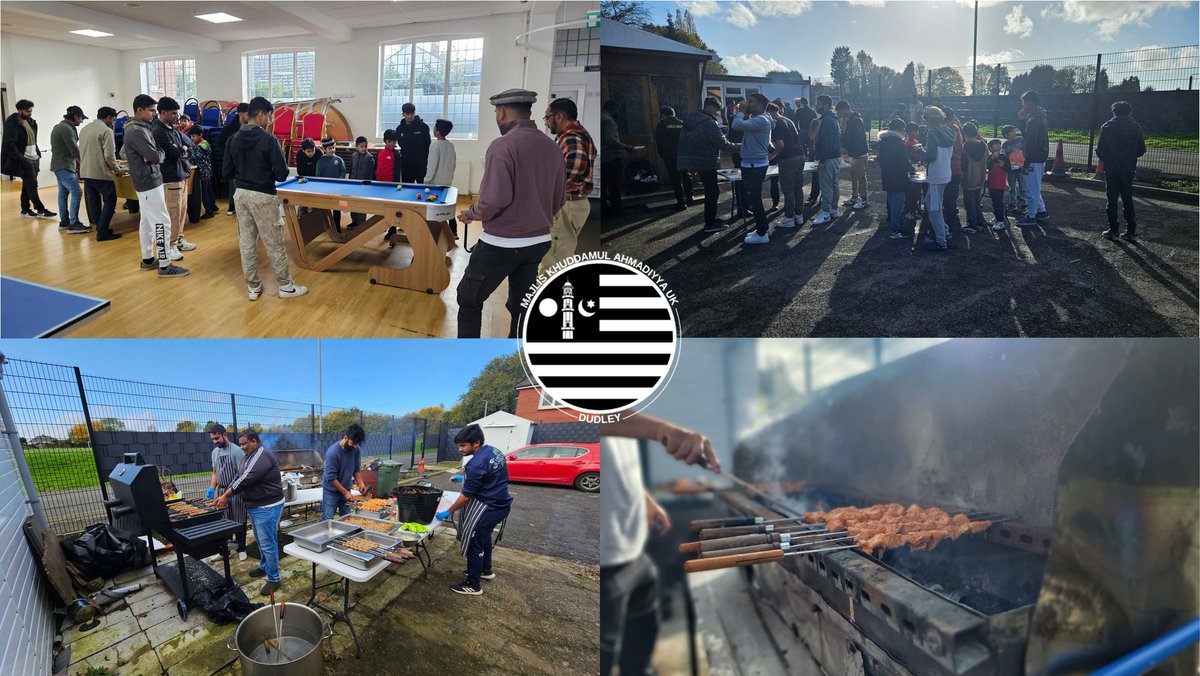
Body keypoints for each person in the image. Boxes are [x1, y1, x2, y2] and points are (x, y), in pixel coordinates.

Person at [598, 414, 721, 676]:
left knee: (641, 642)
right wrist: (660, 429)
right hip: (607, 561)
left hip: (635, 549)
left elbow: (615, 452)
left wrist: (643, 498)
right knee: (604, 655)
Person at [456, 89, 564, 338]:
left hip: (501, 244)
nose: (496, 115)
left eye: (496, 111)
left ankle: (466, 359)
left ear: (501, 112)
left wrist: (471, 213)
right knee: (521, 305)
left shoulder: (502, 145)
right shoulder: (552, 147)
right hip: (538, 243)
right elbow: (559, 198)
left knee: (469, 299)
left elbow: (493, 200)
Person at [222, 96, 308, 300]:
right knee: (274, 243)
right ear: (261, 114)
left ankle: (253, 287)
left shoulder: (232, 139)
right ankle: (286, 286)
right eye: (269, 116)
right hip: (263, 195)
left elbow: (226, 172)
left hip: (240, 195)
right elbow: (280, 174)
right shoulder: (269, 140)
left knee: (247, 242)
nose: (269, 121)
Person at [433, 424, 513, 596]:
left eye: (463, 445)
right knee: (484, 539)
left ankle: (473, 584)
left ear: (476, 443)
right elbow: (477, 468)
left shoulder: (477, 463)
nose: (460, 449)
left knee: (474, 541)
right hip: (501, 503)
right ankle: (486, 570)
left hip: (489, 507)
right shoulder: (492, 451)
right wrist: (463, 474)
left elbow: (465, 497)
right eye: (459, 445)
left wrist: (447, 511)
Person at [123, 94, 188, 277]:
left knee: (146, 222)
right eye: (151, 110)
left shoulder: (141, 128)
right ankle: (165, 265)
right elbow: (157, 156)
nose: (154, 113)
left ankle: (148, 259)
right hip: (148, 182)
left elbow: (154, 154)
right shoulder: (136, 131)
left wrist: (156, 154)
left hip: (149, 180)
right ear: (139, 110)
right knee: (162, 222)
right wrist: (158, 154)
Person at [215, 429, 284, 596]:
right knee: (260, 540)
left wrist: (226, 495)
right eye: (240, 444)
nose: (242, 447)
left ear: (254, 441)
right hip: (255, 506)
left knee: (268, 543)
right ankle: (264, 566)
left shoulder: (262, 455)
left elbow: (246, 479)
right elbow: (238, 476)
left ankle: (274, 578)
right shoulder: (248, 456)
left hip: (267, 506)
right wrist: (222, 494)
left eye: (244, 443)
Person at [540, 97, 596, 273]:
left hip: (567, 205)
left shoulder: (571, 137)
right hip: (572, 204)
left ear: (559, 116)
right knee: (562, 255)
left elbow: (573, 169)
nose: (546, 123)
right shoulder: (579, 134)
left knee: (553, 262)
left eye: (547, 117)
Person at [676, 96, 739, 234]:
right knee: (713, 192)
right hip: (707, 161)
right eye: (717, 109)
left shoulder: (692, 119)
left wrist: (693, 165)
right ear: (710, 106)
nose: (717, 113)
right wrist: (743, 146)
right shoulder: (709, 122)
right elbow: (723, 144)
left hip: (696, 160)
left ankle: (711, 220)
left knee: (710, 191)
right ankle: (710, 223)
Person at [1096, 100, 1146, 243]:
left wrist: (1110, 159)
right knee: (1127, 199)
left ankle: (1113, 230)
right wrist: (1130, 157)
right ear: (1130, 112)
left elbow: (1100, 150)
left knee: (1111, 200)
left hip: (1111, 168)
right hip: (1128, 168)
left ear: (1113, 112)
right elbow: (1142, 149)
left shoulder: (1106, 126)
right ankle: (1131, 231)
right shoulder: (1136, 127)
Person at [151, 97, 193, 259]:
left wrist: (183, 149)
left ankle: (179, 239)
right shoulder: (158, 131)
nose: (177, 116)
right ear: (162, 113)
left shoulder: (172, 129)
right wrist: (181, 150)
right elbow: (173, 153)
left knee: (182, 211)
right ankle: (170, 244)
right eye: (173, 113)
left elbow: (190, 145)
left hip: (181, 174)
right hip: (169, 177)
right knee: (172, 213)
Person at [731, 94, 774, 245]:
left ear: (761, 105)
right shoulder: (760, 119)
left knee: (754, 200)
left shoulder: (761, 120)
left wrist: (741, 111)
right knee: (755, 199)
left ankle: (762, 234)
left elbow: (736, 125)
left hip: (754, 165)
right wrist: (746, 112)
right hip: (754, 163)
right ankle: (763, 228)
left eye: (751, 102)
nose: (748, 104)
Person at [2, 99, 55, 219]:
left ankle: (25, 209)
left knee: (27, 185)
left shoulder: (30, 121)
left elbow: (32, 140)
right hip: (24, 159)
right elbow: (10, 145)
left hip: (34, 157)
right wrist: (22, 160)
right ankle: (40, 209)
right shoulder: (12, 123)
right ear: (19, 110)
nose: (30, 113)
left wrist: (37, 154)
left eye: (31, 110)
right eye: (27, 111)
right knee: (32, 185)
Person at [79, 106, 122, 241]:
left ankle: (100, 227)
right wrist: (117, 170)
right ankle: (102, 232)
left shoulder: (85, 129)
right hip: (101, 172)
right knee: (110, 201)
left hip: (86, 171)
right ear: (108, 117)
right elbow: (109, 156)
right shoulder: (106, 131)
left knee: (94, 202)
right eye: (113, 119)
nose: (113, 122)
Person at [206, 424, 247, 561]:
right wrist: (212, 488)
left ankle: (241, 548)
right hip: (221, 490)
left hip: (236, 491)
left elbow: (241, 475)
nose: (215, 441)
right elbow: (214, 473)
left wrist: (229, 493)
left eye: (217, 438)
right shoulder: (215, 453)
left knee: (239, 520)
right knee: (224, 521)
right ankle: (225, 552)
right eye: (213, 439)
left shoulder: (237, 451)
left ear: (225, 434)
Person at [919, 106, 955, 251]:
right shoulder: (949, 130)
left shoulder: (933, 132)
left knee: (934, 208)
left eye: (925, 119)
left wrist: (919, 151)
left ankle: (941, 240)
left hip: (936, 173)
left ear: (930, 119)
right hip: (945, 171)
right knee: (930, 201)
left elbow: (931, 156)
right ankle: (944, 231)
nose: (925, 121)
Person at [50, 106, 90, 234]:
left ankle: (64, 221)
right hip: (64, 166)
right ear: (76, 117)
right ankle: (74, 223)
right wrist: (83, 165)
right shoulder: (66, 129)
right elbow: (74, 150)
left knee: (63, 193)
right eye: (81, 118)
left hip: (59, 165)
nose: (82, 121)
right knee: (77, 192)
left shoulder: (60, 126)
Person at [768, 103, 805, 229]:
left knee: (788, 189)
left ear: (769, 112)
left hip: (788, 158)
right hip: (800, 155)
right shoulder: (788, 120)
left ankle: (789, 217)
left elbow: (780, 145)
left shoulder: (776, 124)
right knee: (798, 187)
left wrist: (772, 155)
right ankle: (799, 215)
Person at [1016, 90, 1049, 227]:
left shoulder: (1034, 119)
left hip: (1034, 158)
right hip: (1039, 157)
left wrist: (1026, 162)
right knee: (1035, 186)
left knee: (1031, 189)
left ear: (1030, 102)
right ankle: (1041, 211)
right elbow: (1027, 136)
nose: (1022, 105)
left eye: (1024, 102)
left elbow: (1030, 142)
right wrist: (1023, 121)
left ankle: (1031, 217)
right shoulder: (1038, 116)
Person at [322, 423, 367, 520]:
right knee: (327, 519)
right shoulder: (333, 453)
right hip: (331, 492)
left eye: (356, 444)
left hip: (346, 491)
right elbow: (331, 478)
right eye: (352, 443)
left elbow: (356, 470)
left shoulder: (356, 449)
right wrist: (345, 493)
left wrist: (361, 483)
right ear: (346, 437)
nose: (354, 446)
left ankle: (346, 535)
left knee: (347, 519)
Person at [877, 118, 911, 240]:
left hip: (887, 175)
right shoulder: (898, 143)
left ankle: (891, 222)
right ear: (901, 130)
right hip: (898, 177)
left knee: (891, 200)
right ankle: (895, 230)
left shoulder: (884, 141)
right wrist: (912, 169)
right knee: (897, 204)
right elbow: (903, 162)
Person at [811, 95, 842, 226]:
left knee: (827, 187)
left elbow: (825, 143)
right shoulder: (832, 119)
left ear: (826, 105)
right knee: (834, 185)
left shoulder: (827, 121)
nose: (816, 106)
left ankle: (825, 213)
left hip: (828, 158)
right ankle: (834, 210)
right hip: (834, 157)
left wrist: (822, 160)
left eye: (818, 103)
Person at [600, 101, 635, 215]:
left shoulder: (601, 117)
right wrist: (625, 147)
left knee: (604, 184)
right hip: (612, 157)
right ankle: (617, 209)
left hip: (602, 158)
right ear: (613, 109)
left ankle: (605, 208)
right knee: (615, 184)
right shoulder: (608, 120)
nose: (618, 112)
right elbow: (609, 139)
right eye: (617, 110)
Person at [653, 106, 691, 210]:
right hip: (683, 154)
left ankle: (681, 202)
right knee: (686, 175)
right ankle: (690, 197)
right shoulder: (682, 123)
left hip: (670, 156)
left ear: (663, 115)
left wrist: (663, 155)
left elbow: (659, 142)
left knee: (675, 179)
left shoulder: (661, 126)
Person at [424, 119, 458, 234]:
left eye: (434, 128)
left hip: (435, 183)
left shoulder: (435, 145)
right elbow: (454, 163)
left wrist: (427, 180)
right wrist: (450, 177)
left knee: (435, 208)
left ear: (437, 132)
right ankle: (453, 231)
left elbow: (432, 166)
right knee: (446, 205)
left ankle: (435, 231)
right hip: (447, 181)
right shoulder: (451, 145)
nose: (433, 130)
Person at [835, 100, 869, 210]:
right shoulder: (848, 119)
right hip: (853, 153)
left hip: (859, 153)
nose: (839, 114)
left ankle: (864, 199)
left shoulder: (856, 120)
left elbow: (857, 139)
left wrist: (846, 148)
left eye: (840, 112)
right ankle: (855, 197)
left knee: (861, 176)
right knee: (854, 175)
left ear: (845, 109)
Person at [222, 102, 250, 216]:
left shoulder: (250, 127)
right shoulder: (230, 128)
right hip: (234, 161)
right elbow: (220, 143)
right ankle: (232, 206)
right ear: (240, 114)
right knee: (233, 185)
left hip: (247, 161)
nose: (249, 116)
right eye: (247, 114)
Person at [959, 122, 988, 234]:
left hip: (969, 178)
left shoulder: (965, 147)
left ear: (965, 134)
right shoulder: (984, 145)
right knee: (976, 202)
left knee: (969, 203)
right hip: (980, 177)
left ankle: (972, 225)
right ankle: (980, 222)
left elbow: (964, 165)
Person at [940, 106, 964, 233]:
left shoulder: (945, 129)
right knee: (951, 196)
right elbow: (959, 147)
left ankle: (946, 225)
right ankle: (950, 221)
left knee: (945, 196)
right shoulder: (956, 129)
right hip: (955, 167)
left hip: (947, 167)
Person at [394, 102, 431, 182]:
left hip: (421, 164)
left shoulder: (423, 127)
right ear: (403, 114)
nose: (410, 116)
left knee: (422, 188)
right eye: (407, 114)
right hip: (406, 165)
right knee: (406, 188)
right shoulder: (400, 129)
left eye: (412, 113)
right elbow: (400, 144)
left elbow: (428, 145)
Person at [315, 137, 346, 229]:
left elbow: (343, 172)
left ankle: (337, 227)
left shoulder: (339, 159)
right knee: (325, 208)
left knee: (337, 208)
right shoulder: (320, 161)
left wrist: (339, 180)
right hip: (325, 189)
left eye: (333, 147)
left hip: (337, 188)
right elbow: (318, 174)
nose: (332, 150)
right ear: (324, 149)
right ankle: (326, 226)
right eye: (329, 148)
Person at [187, 127, 218, 219]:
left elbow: (194, 157)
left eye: (194, 136)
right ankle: (213, 206)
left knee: (204, 192)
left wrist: (187, 153)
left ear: (200, 135)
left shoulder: (200, 146)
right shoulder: (204, 143)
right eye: (191, 136)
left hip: (203, 172)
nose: (192, 138)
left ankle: (209, 211)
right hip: (207, 170)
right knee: (208, 190)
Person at [348, 135, 375, 227]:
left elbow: (371, 174)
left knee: (362, 204)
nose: (364, 148)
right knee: (353, 203)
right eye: (361, 146)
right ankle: (354, 221)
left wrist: (369, 185)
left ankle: (361, 223)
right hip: (353, 185)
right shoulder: (353, 156)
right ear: (356, 147)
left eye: (365, 146)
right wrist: (350, 182)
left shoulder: (369, 158)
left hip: (364, 186)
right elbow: (351, 170)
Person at [1001, 125, 1027, 214]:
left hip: (1021, 168)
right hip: (1011, 169)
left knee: (1022, 187)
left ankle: (1024, 204)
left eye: (1014, 131)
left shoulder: (1021, 140)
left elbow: (1026, 152)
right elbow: (1003, 156)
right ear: (1007, 135)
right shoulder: (1005, 145)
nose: (1014, 132)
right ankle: (1013, 204)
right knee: (1012, 187)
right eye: (1012, 131)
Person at [986, 139, 1011, 231]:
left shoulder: (1004, 157)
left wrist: (1003, 165)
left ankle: (1000, 221)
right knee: (994, 201)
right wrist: (992, 159)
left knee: (998, 202)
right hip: (991, 182)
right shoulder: (989, 157)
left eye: (999, 145)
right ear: (991, 148)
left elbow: (1008, 168)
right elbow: (988, 166)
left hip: (1000, 183)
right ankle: (997, 217)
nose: (998, 146)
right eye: (995, 145)